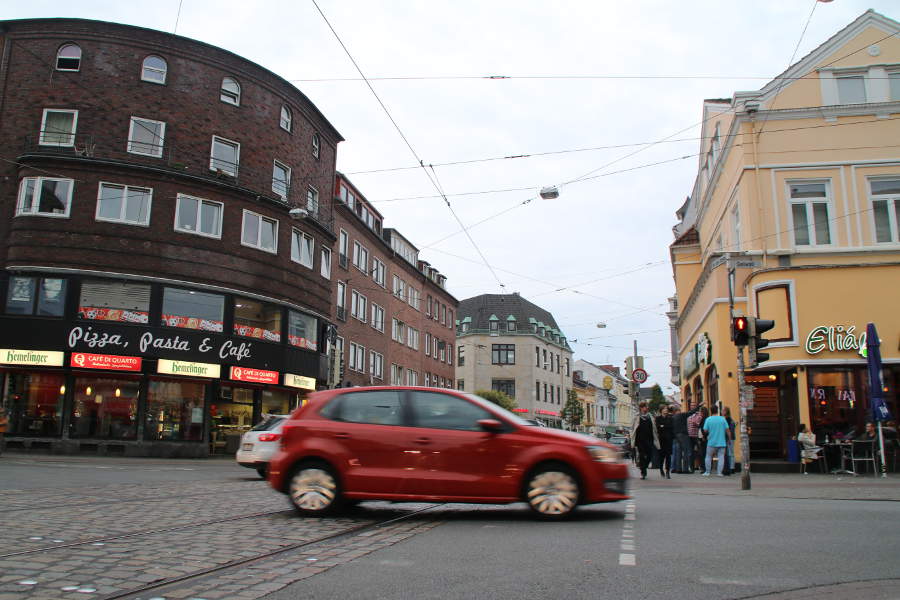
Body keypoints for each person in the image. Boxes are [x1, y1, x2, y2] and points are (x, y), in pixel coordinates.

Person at [630, 401, 661, 480]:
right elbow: (632, 428)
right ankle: (643, 472)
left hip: (649, 439)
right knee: (641, 455)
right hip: (640, 440)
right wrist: (632, 438)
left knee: (650, 455)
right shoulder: (636, 417)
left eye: (647, 406)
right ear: (641, 408)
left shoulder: (650, 416)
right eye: (645, 406)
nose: (647, 408)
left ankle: (644, 466)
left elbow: (654, 428)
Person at [701, 404, 729, 476]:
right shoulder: (722, 419)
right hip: (721, 442)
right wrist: (729, 439)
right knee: (721, 457)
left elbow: (705, 430)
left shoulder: (708, 419)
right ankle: (719, 473)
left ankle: (707, 472)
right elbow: (728, 430)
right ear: (717, 410)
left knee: (708, 456)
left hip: (711, 442)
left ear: (711, 411)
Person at [673, 403, 698, 473]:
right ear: (678, 410)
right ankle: (685, 469)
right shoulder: (681, 415)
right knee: (686, 451)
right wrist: (699, 406)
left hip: (676, 436)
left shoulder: (673, 417)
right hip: (683, 435)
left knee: (678, 452)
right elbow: (691, 412)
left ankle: (678, 469)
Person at [656, 405, 674, 479]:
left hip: (669, 440)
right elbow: (658, 427)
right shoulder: (658, 418)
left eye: (666, 409)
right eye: (664, 409)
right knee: (661, 457)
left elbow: (671, 427)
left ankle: (667, 471)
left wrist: (663, 426)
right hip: (661, 440)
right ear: (661, 410)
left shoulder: (670, 418)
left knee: (668, 456)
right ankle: (661, 469)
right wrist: (662, 426)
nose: (666, 410)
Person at [687, 406, 704, 473]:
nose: (692, 408)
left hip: (697, 436)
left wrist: (693, 421)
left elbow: (698, 423)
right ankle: (692, 468)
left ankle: (702, 467)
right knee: (691, 453)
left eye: (694, 407)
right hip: (690, 436)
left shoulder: (699, 416)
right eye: (691, 407)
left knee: (700, 452)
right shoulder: (688, 416)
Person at [722, 406, 736, 475]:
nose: (722, 412)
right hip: (731, 438)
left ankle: (731, 467)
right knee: (731, 453)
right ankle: (732, 467)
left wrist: (729, 439)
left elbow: (729, 430)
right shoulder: (729, 419)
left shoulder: (727, 419)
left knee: (730, 453)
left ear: (726, 412)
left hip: (729, 438)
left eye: (723, 410)